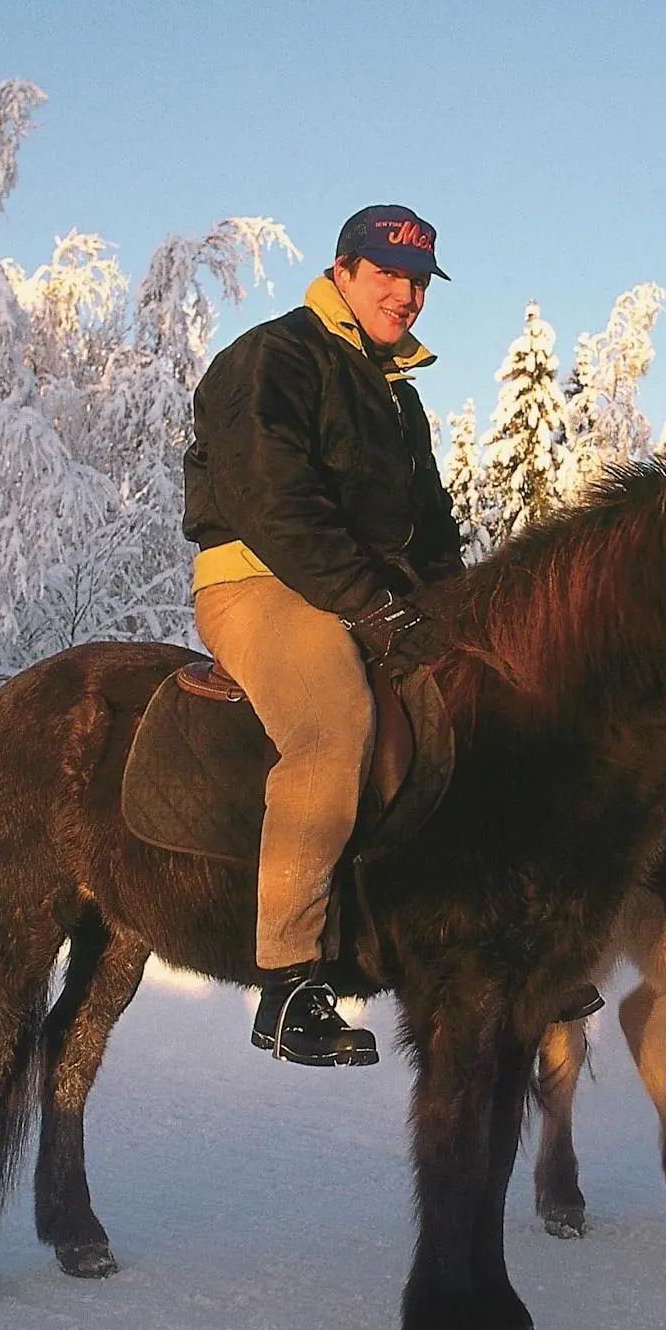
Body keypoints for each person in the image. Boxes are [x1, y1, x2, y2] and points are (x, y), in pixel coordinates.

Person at [182, 204, 462, 1067]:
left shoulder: (397, 398)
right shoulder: (273, 356)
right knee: (333, 728)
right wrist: (365, 602)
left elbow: (434, 524)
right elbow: (272, 500)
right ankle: (288, 981)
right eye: (387, 275)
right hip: (262, 579)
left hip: (367, 591)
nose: (405, 296)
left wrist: (459, 615)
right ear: (341, 272)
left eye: (416, 282)